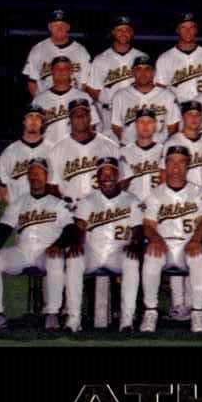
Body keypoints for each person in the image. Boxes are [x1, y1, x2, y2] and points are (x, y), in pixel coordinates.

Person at [45, 98, 120, 329]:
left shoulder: (109, 146)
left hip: (103, 216)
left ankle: (102, 314)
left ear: (91, 116)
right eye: (76, 114)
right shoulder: (58, 149)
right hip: (70, 216)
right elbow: (52, 187)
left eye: (84, 113)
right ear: (69, 119)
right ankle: (65, 311)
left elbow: (121, 182)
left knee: (104, 256)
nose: (80, 118)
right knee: (69, 257)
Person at [0, 158, 74, 332]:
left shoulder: (58, 203)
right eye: (32, 173)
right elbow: (4, 227)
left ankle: (52, 314)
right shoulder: (18, 202)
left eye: (39, 173)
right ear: (27, 177)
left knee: (55, 260)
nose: (35, 177)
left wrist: (59, 245)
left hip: (46, 251)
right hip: (22, 252)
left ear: (47, 176)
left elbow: (71, 229)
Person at [65, 158, 144, 333]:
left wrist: (135, 243)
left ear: (118, 176)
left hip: (118, 252)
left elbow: (138, 229)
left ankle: (127, 320)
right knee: (73, 260)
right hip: (93, 252)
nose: (107, 178)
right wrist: (76, 242)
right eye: (103, 174)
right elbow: (79, 227)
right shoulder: (87, 200)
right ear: (97, 178)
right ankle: (73, 319)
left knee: (132, 261)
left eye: (111, 173)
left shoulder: (132, 200)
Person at [139, 146, 202, 334]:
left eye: (181, 162)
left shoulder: (199, 192)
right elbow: (148, 224)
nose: (176, 166)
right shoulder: (155, 194)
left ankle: (197, 312)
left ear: (188, 166)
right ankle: (150, 311)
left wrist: (196, 240)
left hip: (188, 243)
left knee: (199, 257)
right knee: (151, 257)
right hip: (164, 244)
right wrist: (155, 239)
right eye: (171, 161)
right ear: (165, 165)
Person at [83, 15, 143, 137]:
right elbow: (92, 90)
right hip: (108, 114)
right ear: (113, 32)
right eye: (119, 30)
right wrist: (109, 103)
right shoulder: (100, 59)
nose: (123, 33)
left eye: (127, 30)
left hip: (135, 112)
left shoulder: (142, 57)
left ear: (132, 33)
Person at [110, 53, 181, 145]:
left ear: (154, 72)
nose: (143, 73)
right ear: (133, 72)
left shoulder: (168, 96)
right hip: (129, 148)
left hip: (159, 147)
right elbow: (117, 127)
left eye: (147, 68)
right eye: (138, 69)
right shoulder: (120, 96)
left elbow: (173, 127)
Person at [22, 9, 91, 97]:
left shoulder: (81, 51)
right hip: (46, 101)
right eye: (55, 25)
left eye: (63, 25)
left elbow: (85, 83)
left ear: (68, 27)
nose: (59, 29)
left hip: (73, 101)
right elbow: (32, 82)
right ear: (49, 27)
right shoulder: (38, 50)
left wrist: (79, 101)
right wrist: (39, 101)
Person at [32, 56, 99, 146]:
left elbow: (92, 125)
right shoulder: (39, 100)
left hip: (75, 149)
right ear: (51, 71)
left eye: (65, 68)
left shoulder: (83, 97)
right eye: (57, 68)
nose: (61, 71)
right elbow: (33, 130)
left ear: (71, 71)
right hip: (48, 150)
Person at [0, 105, 51, 205]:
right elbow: (2, 189)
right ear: (24, 121)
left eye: (38, 117)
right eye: (30, 116)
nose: (34, 120)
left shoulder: (53, 150)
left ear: (42, 123)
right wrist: (13, 209)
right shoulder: (9, 152)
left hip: (46, 211)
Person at [154, 12, 202, 101]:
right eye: (183, 27)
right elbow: (160, 88)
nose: (188, 31)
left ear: (196, 30)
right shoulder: (165, 58)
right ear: (177, 30)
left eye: (191, 27)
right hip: (177, 106)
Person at [118, 108, 164, 201]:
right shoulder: (124, 152)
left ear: (155, 125)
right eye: (141, 121)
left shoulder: (163, 151)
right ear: (136, 125)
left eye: (149, 122)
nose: (145, 125)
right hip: (131, 204)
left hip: (157, 203)